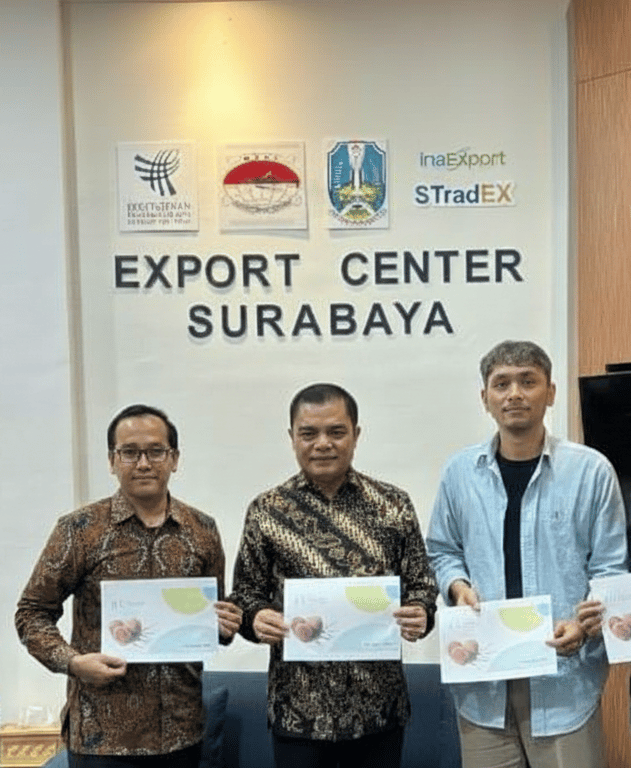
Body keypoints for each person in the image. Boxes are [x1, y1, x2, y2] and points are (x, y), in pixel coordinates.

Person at [426, 340, 628, 768]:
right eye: (501, 384)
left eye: (527, 381)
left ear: (550, 393)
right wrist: (457, 586)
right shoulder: (459, 474)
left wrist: (584, 624)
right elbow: (442, 550)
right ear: (485, 397)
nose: (514, 394)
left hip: (563, 677)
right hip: (483, 680)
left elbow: (610, 568)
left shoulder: (591, 471)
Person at [15, 404, 242, 768]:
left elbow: (211, 620)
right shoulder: (79, 530)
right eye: (130, 452)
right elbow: (31, 613)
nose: (144, 463)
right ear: (112, 460)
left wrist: (225, 625)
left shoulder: (202, 530)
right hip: (103, 735)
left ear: (174, 458)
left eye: (156, 451)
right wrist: (73, 662)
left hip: (182, 731)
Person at [230, 383, 438, 768]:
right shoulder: (267, 510)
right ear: (292, 437)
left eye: (336, 432)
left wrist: (420, 611)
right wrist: (255, 618)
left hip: (378, 707)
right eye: (309, 433)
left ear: (356, 435)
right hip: (299, 709)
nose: (322, 443)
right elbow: (245, 594)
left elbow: (421, 584)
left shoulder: (393, 505)